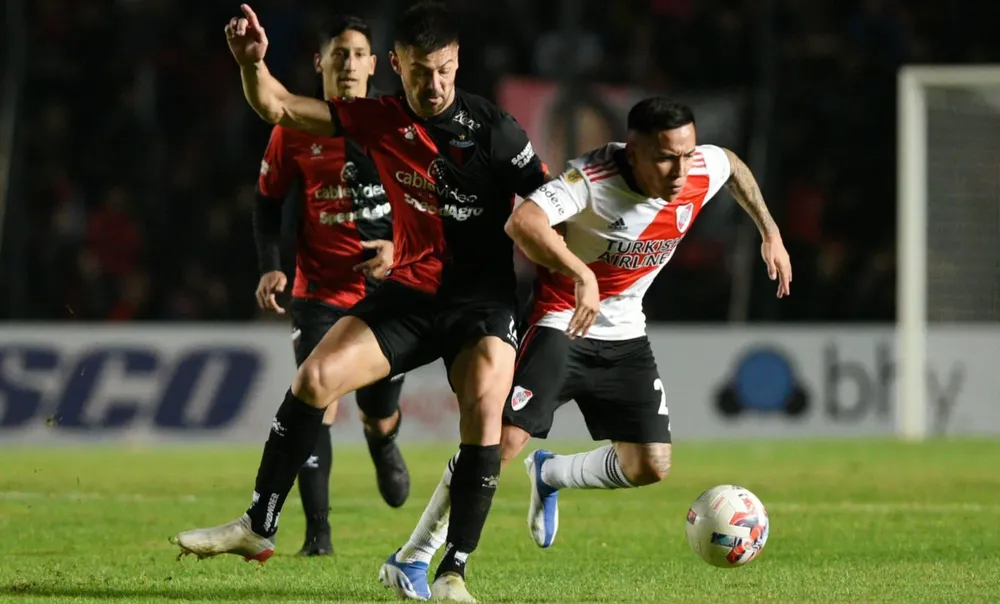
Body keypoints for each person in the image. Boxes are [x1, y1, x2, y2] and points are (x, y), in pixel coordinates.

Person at [173, 3, 548, 602]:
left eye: (446, 70)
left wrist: (571, 269)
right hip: (411, 293)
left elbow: (547, 202)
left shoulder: (495, 129)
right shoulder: (378, 118)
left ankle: (451, 571)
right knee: (315, 376)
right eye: (421, 72)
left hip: (480, 303)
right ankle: (257, 525)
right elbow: (279, 107)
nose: (435, 85)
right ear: (396, 66)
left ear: (458, 63)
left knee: (482, 409)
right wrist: (252, 64)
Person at [384, 97, 791, 576]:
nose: (681, 169)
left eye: (687, 153)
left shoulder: (699, 167)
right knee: (503, 441)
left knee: (650, 465)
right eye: (666, 157)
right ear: (633, 151)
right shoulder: (591, 180)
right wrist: (581, 273)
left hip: (625, 330)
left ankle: (551, 472)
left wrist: (770, 231)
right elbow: (523, 222)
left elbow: (734, 165)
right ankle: (414, 555)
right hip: (562, 320)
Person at [252, 15, 411, 557]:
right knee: (314, 397)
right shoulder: (293, 129)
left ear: (374, 65)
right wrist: (271, 264)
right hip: (318, 290)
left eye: (358, 54)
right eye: (338, 54)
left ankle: (383, 436)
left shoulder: (394, 126)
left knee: (377, 406)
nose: (348, 64)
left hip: (389, 292)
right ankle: (317, 535)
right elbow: (267, 202)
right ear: (320, 63)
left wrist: (398, 251)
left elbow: (427, 206)